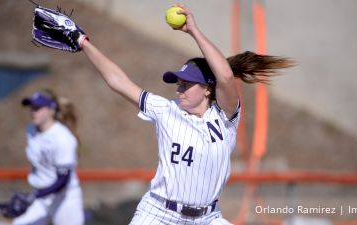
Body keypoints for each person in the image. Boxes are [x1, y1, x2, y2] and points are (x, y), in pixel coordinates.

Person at [65, 4, 292, 225]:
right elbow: (119, 81)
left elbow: (224, 76)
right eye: (179, 83)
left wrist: (194, 31)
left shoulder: (224, 119)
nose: (178, 89)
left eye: (187, 84)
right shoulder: (166, 110)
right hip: (159, 213)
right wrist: (84, 44)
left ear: (207, 89)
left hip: (207, 217)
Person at [13, 89, 84, 225]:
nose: (33, 111)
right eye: (32, 107)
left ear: (52, 110)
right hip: (41, 195)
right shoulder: (31, 130)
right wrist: (36, 194)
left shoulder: (63, 138)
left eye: (38, 107)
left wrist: (34, 196)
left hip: (64, 197)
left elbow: (63, 179)